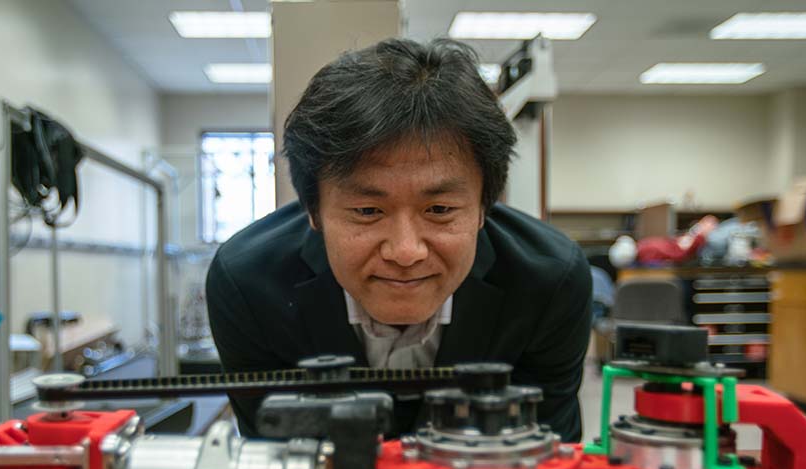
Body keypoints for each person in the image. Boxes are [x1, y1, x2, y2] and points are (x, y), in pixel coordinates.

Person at [206, 38, 591, 442]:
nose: (406, 252)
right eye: (368, 211)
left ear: (484, 207)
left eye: (439, 210)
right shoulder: (248, 284)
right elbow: (275, 467)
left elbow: (547, 458)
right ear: (313, 211)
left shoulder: (550, 282)